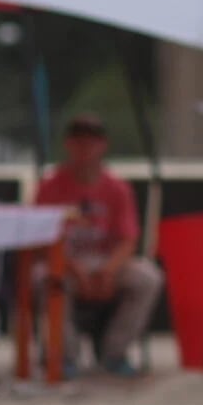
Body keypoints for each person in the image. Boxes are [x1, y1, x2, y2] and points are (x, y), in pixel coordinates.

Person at [34, 114, 162, 378]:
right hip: (64, 263)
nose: (85, 149)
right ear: (68, 145)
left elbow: (129, 238)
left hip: (107, 262)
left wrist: (109, 270)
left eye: (91, 142)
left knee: (148, 277)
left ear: (102, 145)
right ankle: (63, 357)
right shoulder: (49, 187)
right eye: (78, 142)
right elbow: (40, 239)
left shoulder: (117, 188)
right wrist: (73, 268)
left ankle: (114, 354)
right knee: (43, 278)